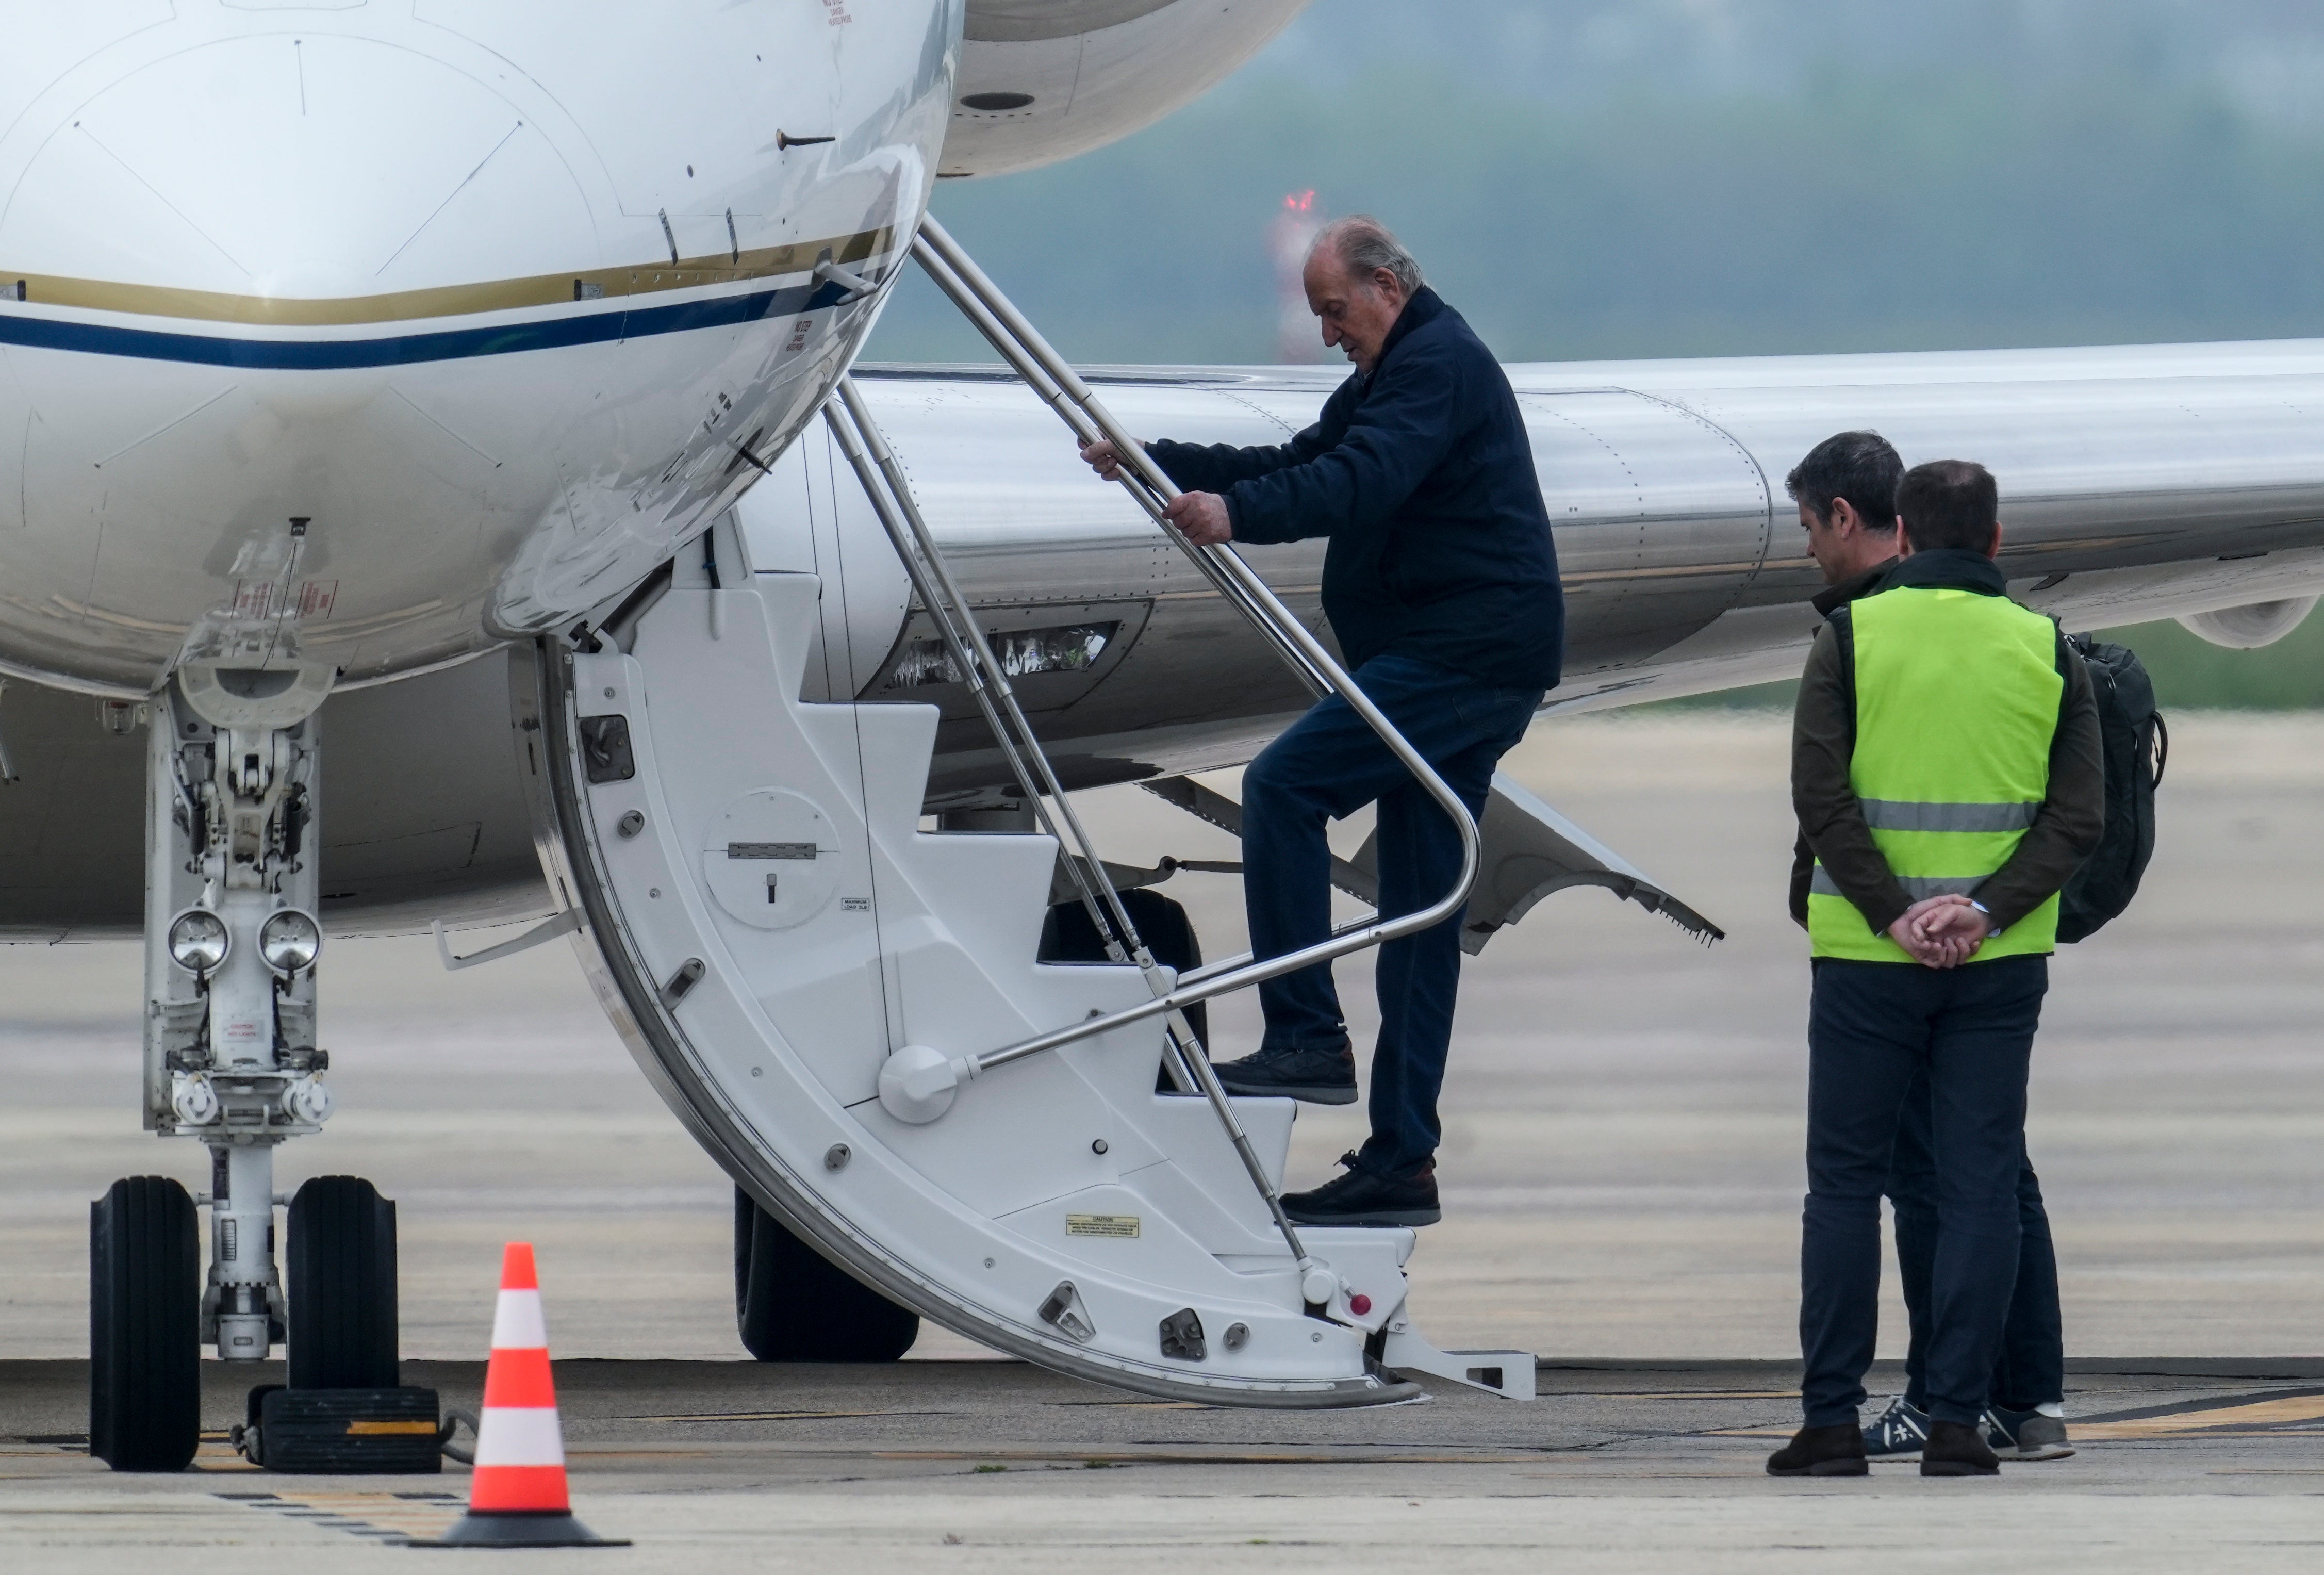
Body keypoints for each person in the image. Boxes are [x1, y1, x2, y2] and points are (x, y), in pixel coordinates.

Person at [1080, 216, 1564, 1227]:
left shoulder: (1435, 367)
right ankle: (1402, 1163)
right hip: (1469, 657)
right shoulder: (1399, 369)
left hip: (1458, 657)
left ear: (1385, 286)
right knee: (1420, 915)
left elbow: (1360, 481)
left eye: (1335, 311)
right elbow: (1300, 455)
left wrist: (1233, 518)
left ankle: (1305, 1034)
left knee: (1284, 788)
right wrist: (1151, 460)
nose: (1330, 332)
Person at [1768, 459, 2103, 1478]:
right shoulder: (2046, 647)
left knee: (1842, 1190)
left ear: (1901, 535)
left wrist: (1897, 914)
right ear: (1996, 543)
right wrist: (1983, 908)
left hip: (1867, 957)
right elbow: (2077, 819)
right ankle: (1956, 1422)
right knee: (1979, 1188)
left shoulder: (1848, 638)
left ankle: (1831, 1422)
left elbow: (1819, 802)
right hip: (1999, 962)